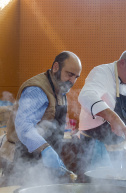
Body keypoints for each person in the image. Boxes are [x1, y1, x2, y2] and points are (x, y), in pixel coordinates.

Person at [0, 51, 82, 185]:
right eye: (70, 74)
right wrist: (45, 149)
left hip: (41, 162)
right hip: (22, 160)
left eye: (76, 77)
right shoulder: (37, 89)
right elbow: (23, 125)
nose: (72, 81)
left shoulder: (59, 89)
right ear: (56, 67)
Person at [77, 47, 126, 170]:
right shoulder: (101, 73)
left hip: (116, 150)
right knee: (97, 187)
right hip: (94, 147)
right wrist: (113, 118)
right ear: (122, 63)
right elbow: (85, 96)